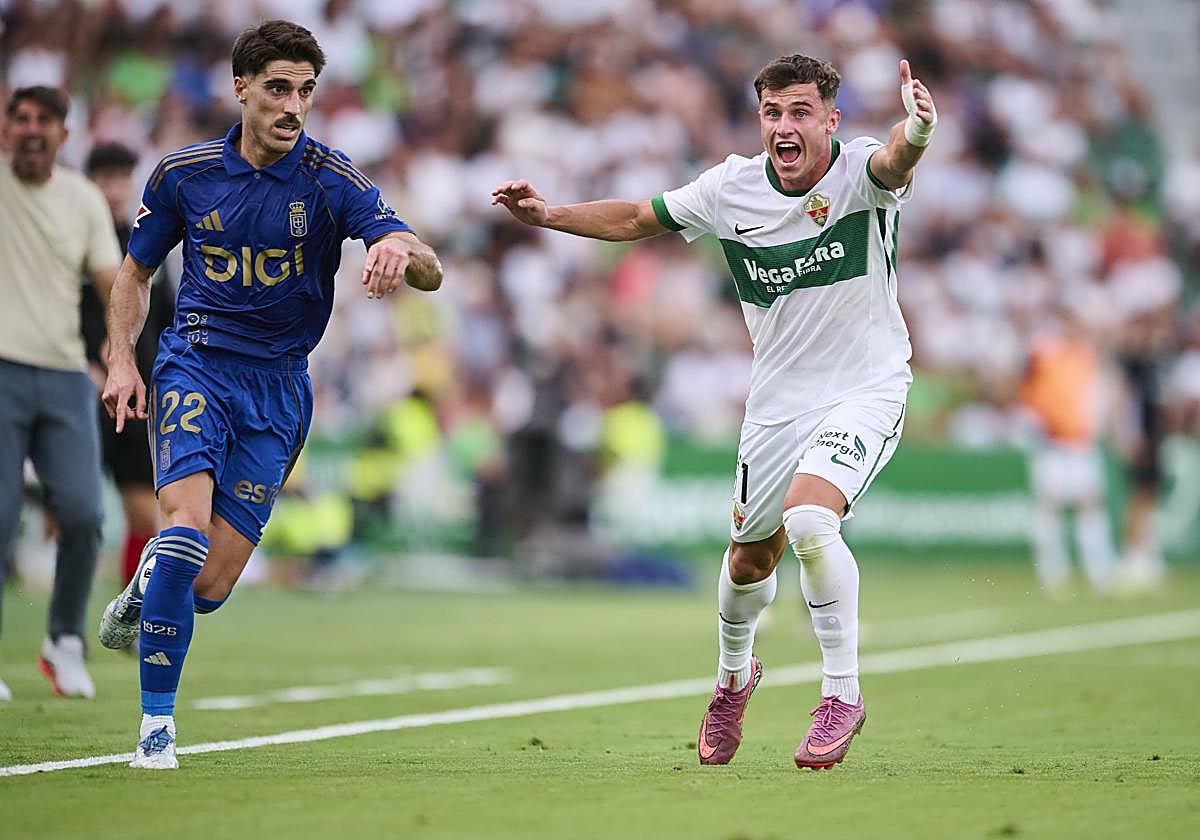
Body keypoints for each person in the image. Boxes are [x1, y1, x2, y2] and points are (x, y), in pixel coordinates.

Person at [493, 54, 936, 770]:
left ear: (831, 120)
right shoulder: (731, 187)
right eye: (773, 112)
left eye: (800, 112)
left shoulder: (861, 174)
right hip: (778, 402)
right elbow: (637, 216)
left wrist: (917, 129)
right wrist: (549, 215)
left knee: (810, 519)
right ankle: (733, 679)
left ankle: (841, 694)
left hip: (867, 387)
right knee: (747, 560)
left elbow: (896, 158)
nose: (784, 127)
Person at [98, 19, 443, 769]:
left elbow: (430, 269)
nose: (293, 106)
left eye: (306, 91)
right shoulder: (183, 174)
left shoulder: (331, 178)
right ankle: (156, 729)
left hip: (280, 386)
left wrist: (397, 246)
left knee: (209, 585)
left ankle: (149, 583)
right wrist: (122, 359)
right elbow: (135, 273)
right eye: (279, 88)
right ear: (242, 88)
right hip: (195, 364)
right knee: (183, 531)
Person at [0, 86, 124, 701]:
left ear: (63, 134)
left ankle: (65, 641)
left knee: (83, 512)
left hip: (66, 373)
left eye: (44, 121)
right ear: (6, 127)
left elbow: (113, 283)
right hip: (2, 368)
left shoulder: (82, 199)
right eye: (20, 118)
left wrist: (119, 355)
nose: (31, 129)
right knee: (0, 515)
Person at [80, 142, 174, 600]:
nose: (113, 189)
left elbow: (168, 319)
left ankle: (129, 607)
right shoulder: (75, 243)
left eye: (121, 178)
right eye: (105, 178)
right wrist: (85, 364)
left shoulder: (149, 244)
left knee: (143, 511)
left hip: (140, 393)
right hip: (83, 389)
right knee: (77, 508)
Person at [1019, 305, 1118, 595]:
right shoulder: (1044, 355)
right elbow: (1029, 390)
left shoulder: (1084, 357)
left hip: (1081, 443)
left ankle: (1099, 571)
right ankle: (1052, 573)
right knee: (1050, 507)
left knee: (1090, 505)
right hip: (1052, 444)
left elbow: (1094, 399)